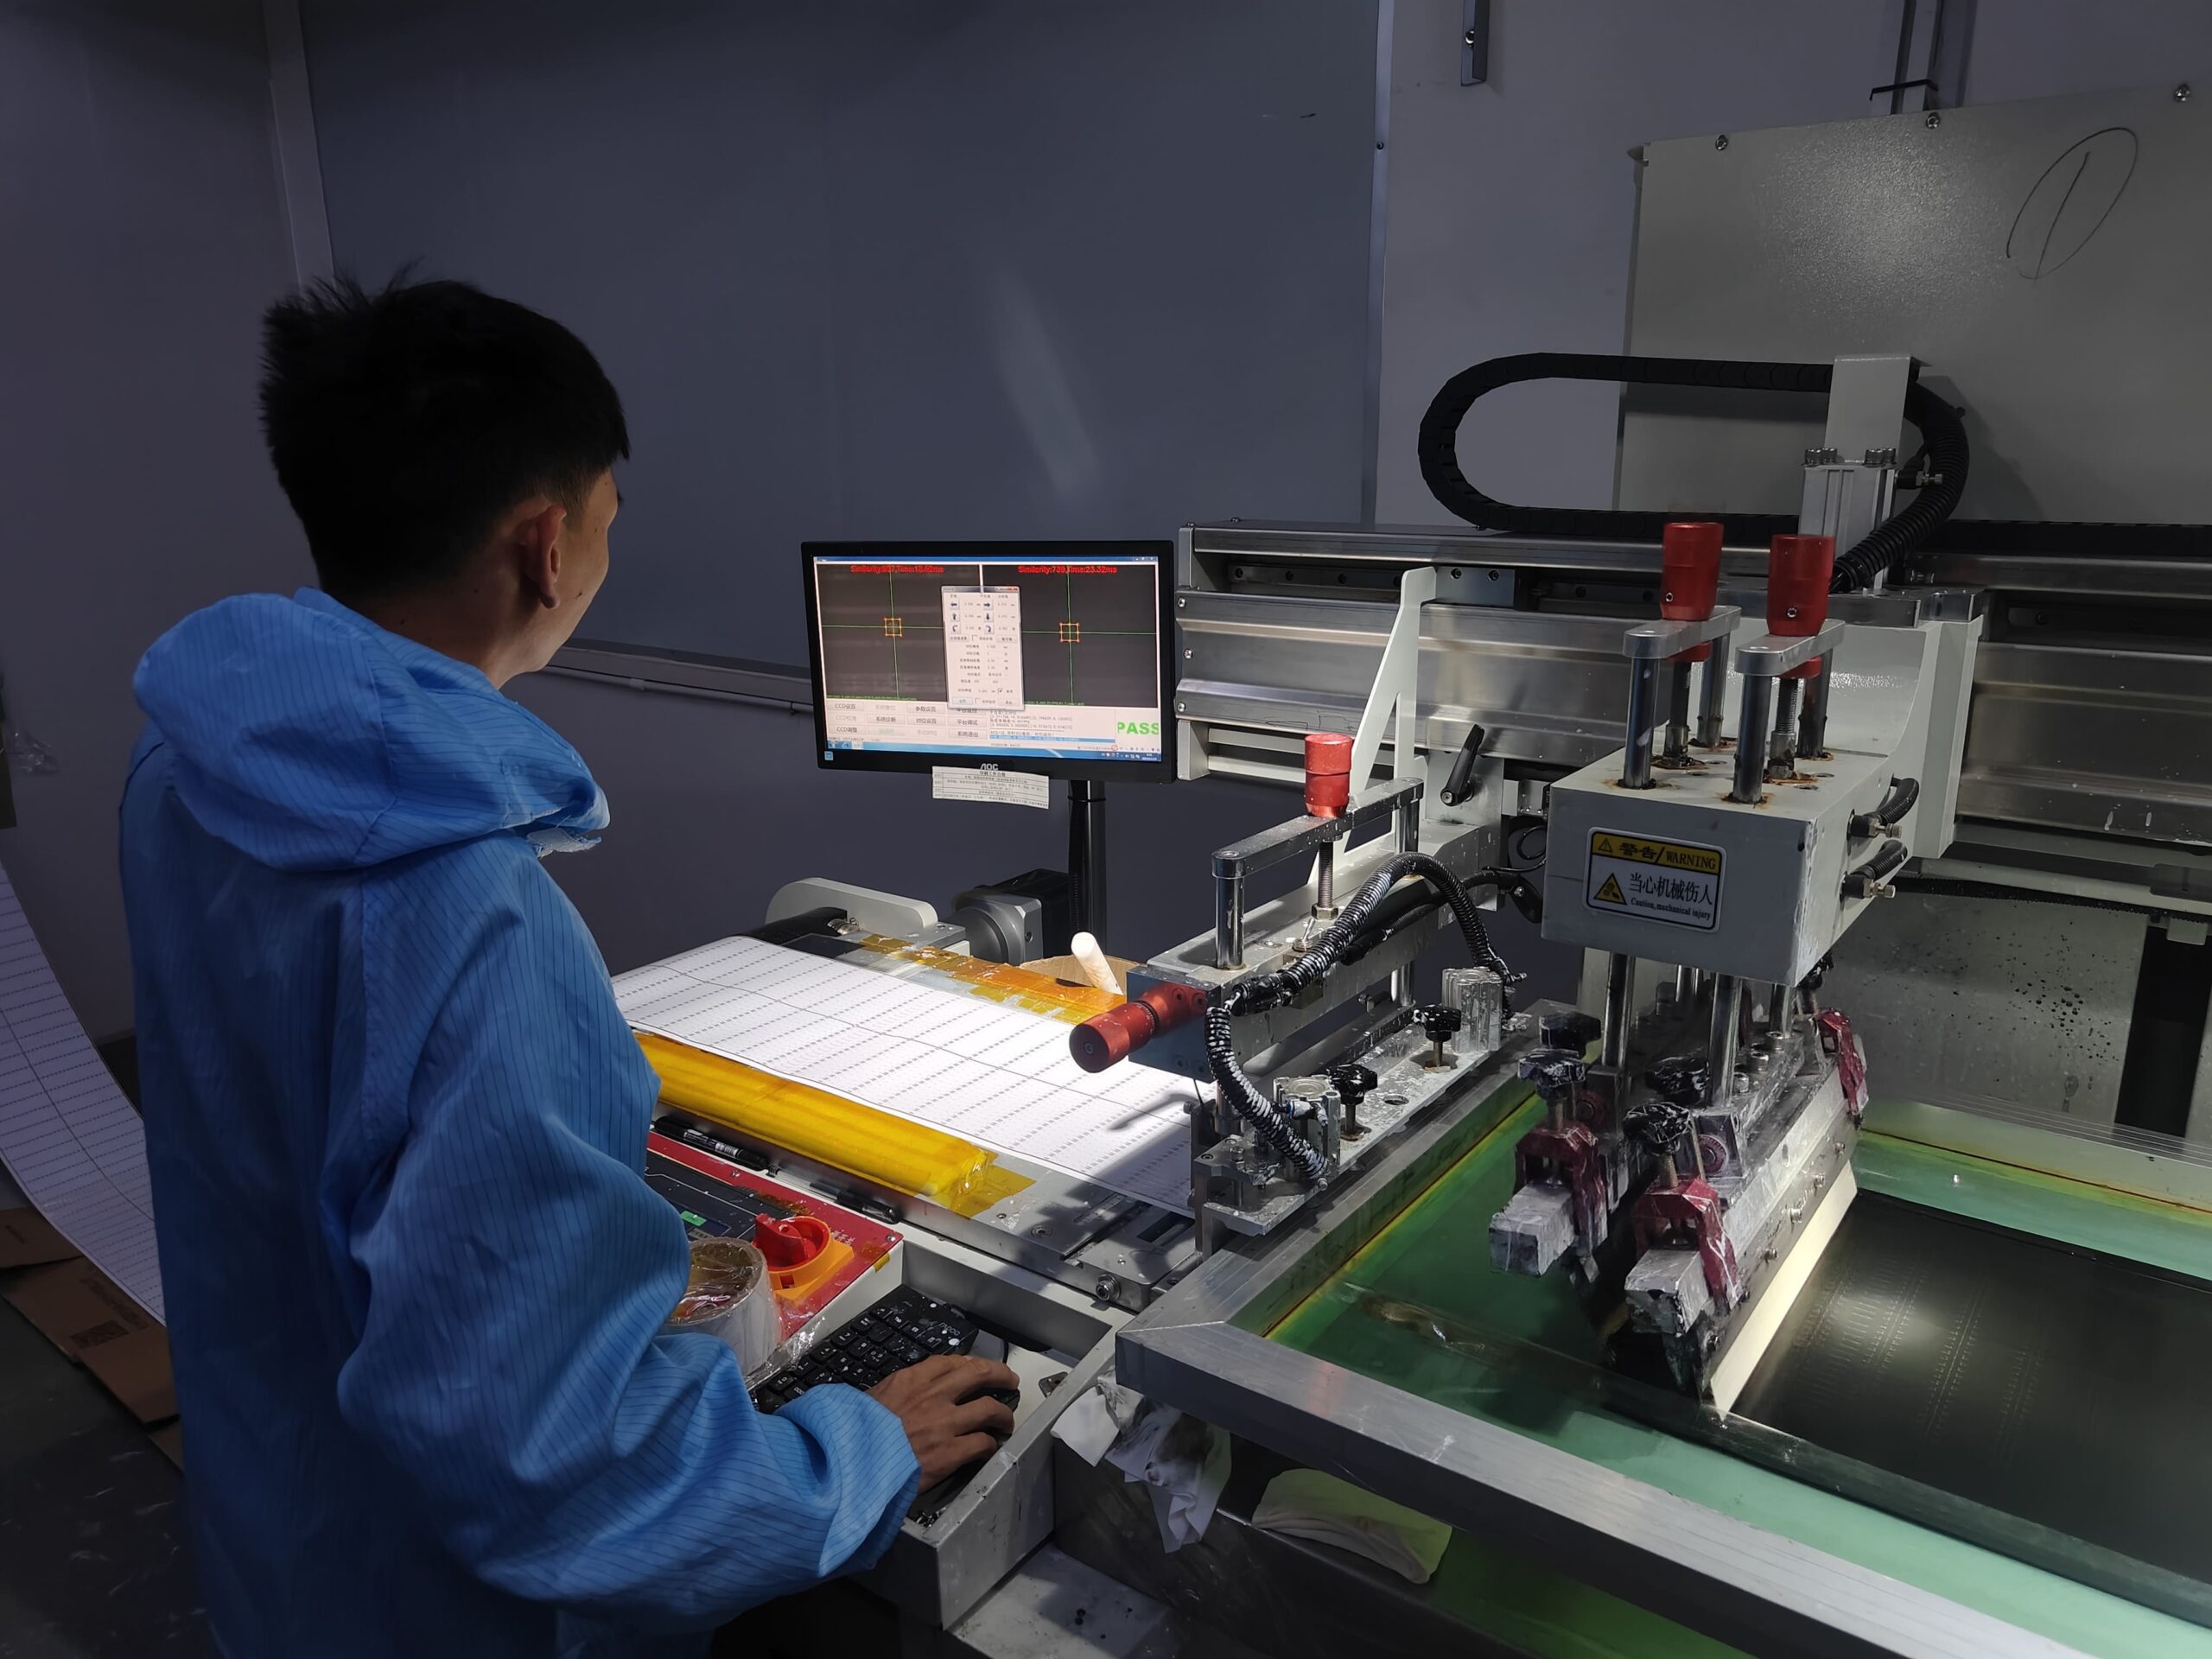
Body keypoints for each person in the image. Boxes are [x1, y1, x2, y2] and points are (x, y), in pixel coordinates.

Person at [118, 276, 1018, 1658]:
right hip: (446, 1609)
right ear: (546, 547)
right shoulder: (474, 918)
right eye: (606, 517)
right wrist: (852, 1450)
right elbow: (564, 1474)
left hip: (291, 1512)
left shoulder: (193, 761)